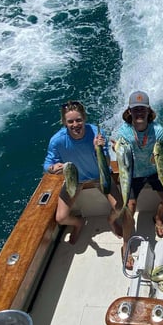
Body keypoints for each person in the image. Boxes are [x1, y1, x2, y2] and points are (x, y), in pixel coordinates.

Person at [43, 100, 133, 266]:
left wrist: (98, 148)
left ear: (84, 119)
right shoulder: (57, 141)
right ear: (64, 123)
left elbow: (106, 162)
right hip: (74, 179)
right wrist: (52, 168)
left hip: (100, 176)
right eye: (70, 121)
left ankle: (111, 220)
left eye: (78, 120)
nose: (75, 124)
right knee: (61, 218)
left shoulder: (96, 134)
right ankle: (78, 223)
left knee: (121, 209)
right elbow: (47, 164)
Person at [115, 90, 163, 239]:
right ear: (129, 111)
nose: (139, 112)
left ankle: (158, 217)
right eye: (135, 109)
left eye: (142, 108)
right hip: (133, 174)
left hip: (154, 171)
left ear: (148, 110)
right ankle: (126, 244)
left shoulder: (158, 131)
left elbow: (161, 153)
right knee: (129, 207)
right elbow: (122, 159)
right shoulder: (123, 133)